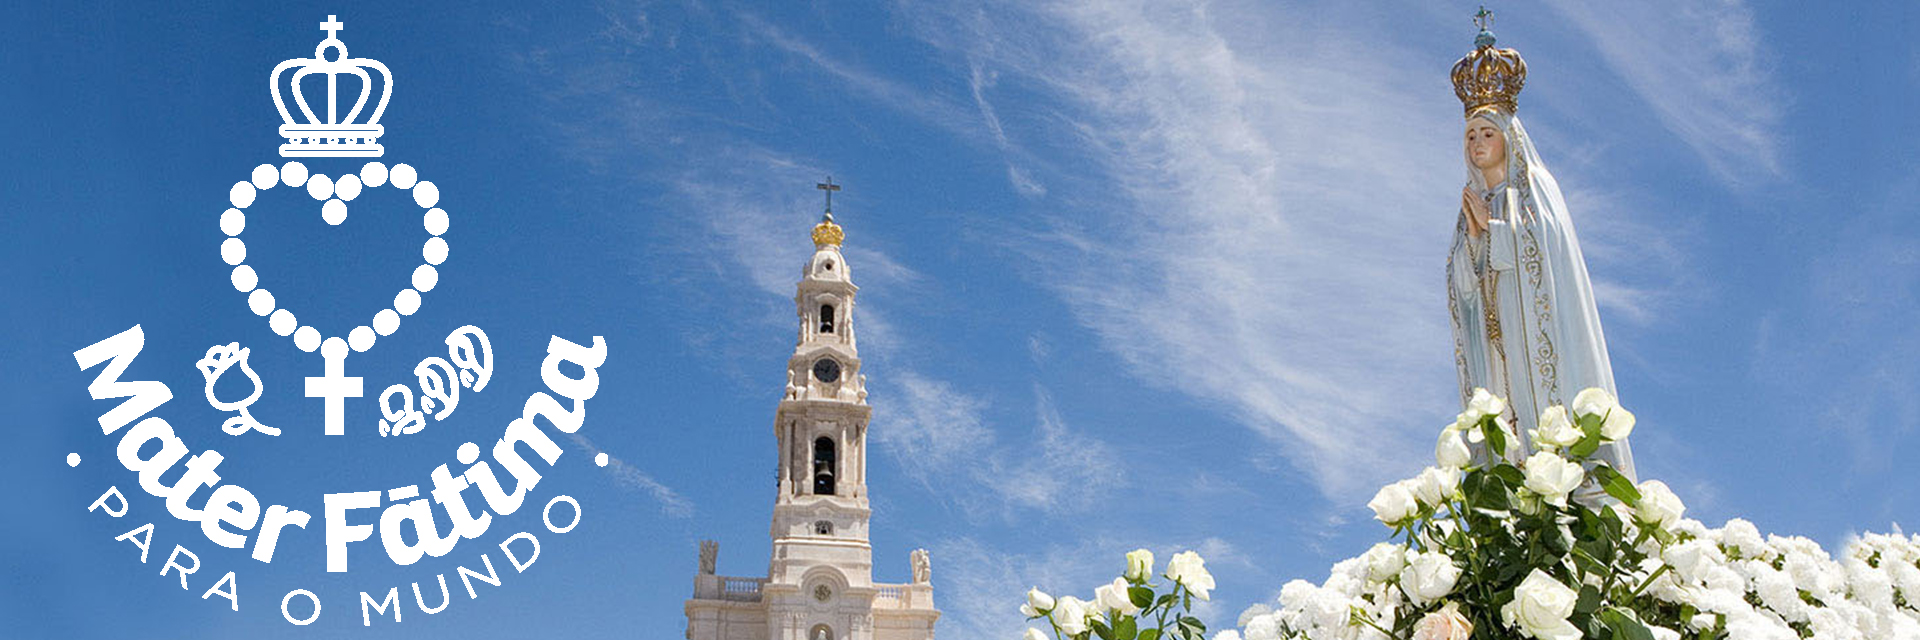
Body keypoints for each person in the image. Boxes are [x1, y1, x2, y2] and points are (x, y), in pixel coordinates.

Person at [1445, 20, 1636, 484]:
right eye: (1470, 135)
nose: (1477, 144)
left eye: (1486, 133)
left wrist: (1497, 233)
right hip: (1497, 347)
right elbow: (1462, 289)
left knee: (1547, 435)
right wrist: (1473, 243)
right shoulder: (1471, 203)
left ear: (1508, 137)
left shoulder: (1536, 190)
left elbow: (1549, 253)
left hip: (1539, 345)